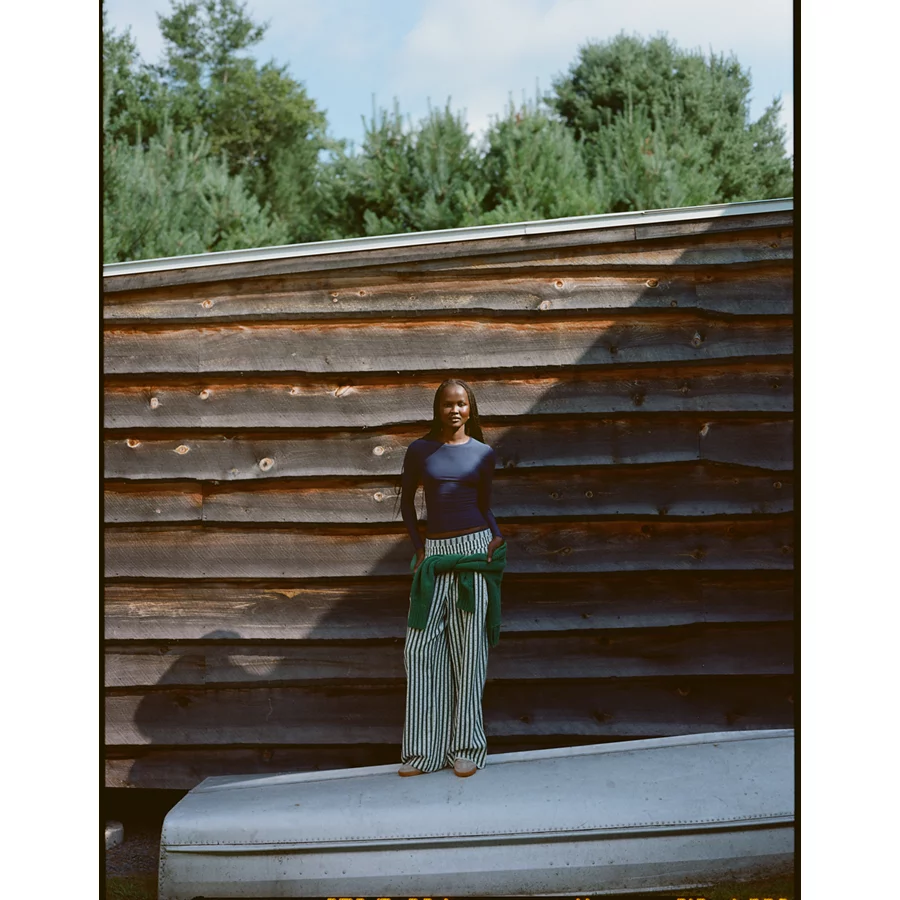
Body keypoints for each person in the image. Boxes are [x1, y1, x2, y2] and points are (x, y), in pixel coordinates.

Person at [394, 378, 506, 778]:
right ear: (437, 409)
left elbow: (484, 505)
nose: (454, 410)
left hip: (474, 553)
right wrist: (419, 547)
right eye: (447, 404)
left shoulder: (484, 454)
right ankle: (422, 753)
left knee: (469, 653)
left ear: (470, 409)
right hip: (435, 556)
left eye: (461, 404)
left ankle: (467, 749)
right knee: (420, 651)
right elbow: (408, 505)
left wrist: (496, 536)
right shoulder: (420, 451)